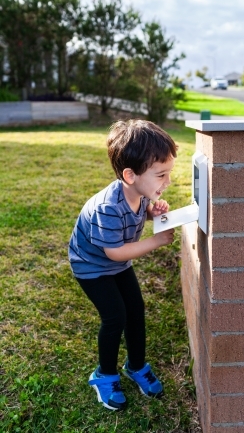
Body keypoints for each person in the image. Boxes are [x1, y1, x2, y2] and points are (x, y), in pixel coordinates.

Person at [68, 119, 177, 411]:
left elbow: (140, 215)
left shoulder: (140, 194)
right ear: (130, 175)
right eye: (161, 175)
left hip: (116, 263)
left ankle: (137, 366)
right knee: (115, 316)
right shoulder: (108, 207)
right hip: (91, 266)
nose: (167, 182)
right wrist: (157, 241)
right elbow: (115, 252)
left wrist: (154, 212)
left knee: (135, 310)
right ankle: (104, 375)